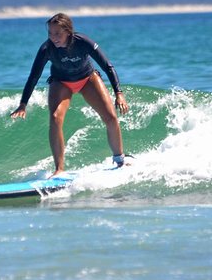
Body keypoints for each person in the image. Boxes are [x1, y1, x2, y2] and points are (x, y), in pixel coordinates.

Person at [10, 13, 130, 177]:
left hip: (88, 79)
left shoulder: (83, 42)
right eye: (50, 33)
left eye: (58, 33)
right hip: (61, 82)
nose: (54, 38)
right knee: (55, 118)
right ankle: (59, 169)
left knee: (110, 117)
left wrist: (119, 93)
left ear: (68, 31)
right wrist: (23, 104)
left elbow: (107, 66)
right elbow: (34, 76)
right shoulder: (47, 49)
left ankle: (120, 160)